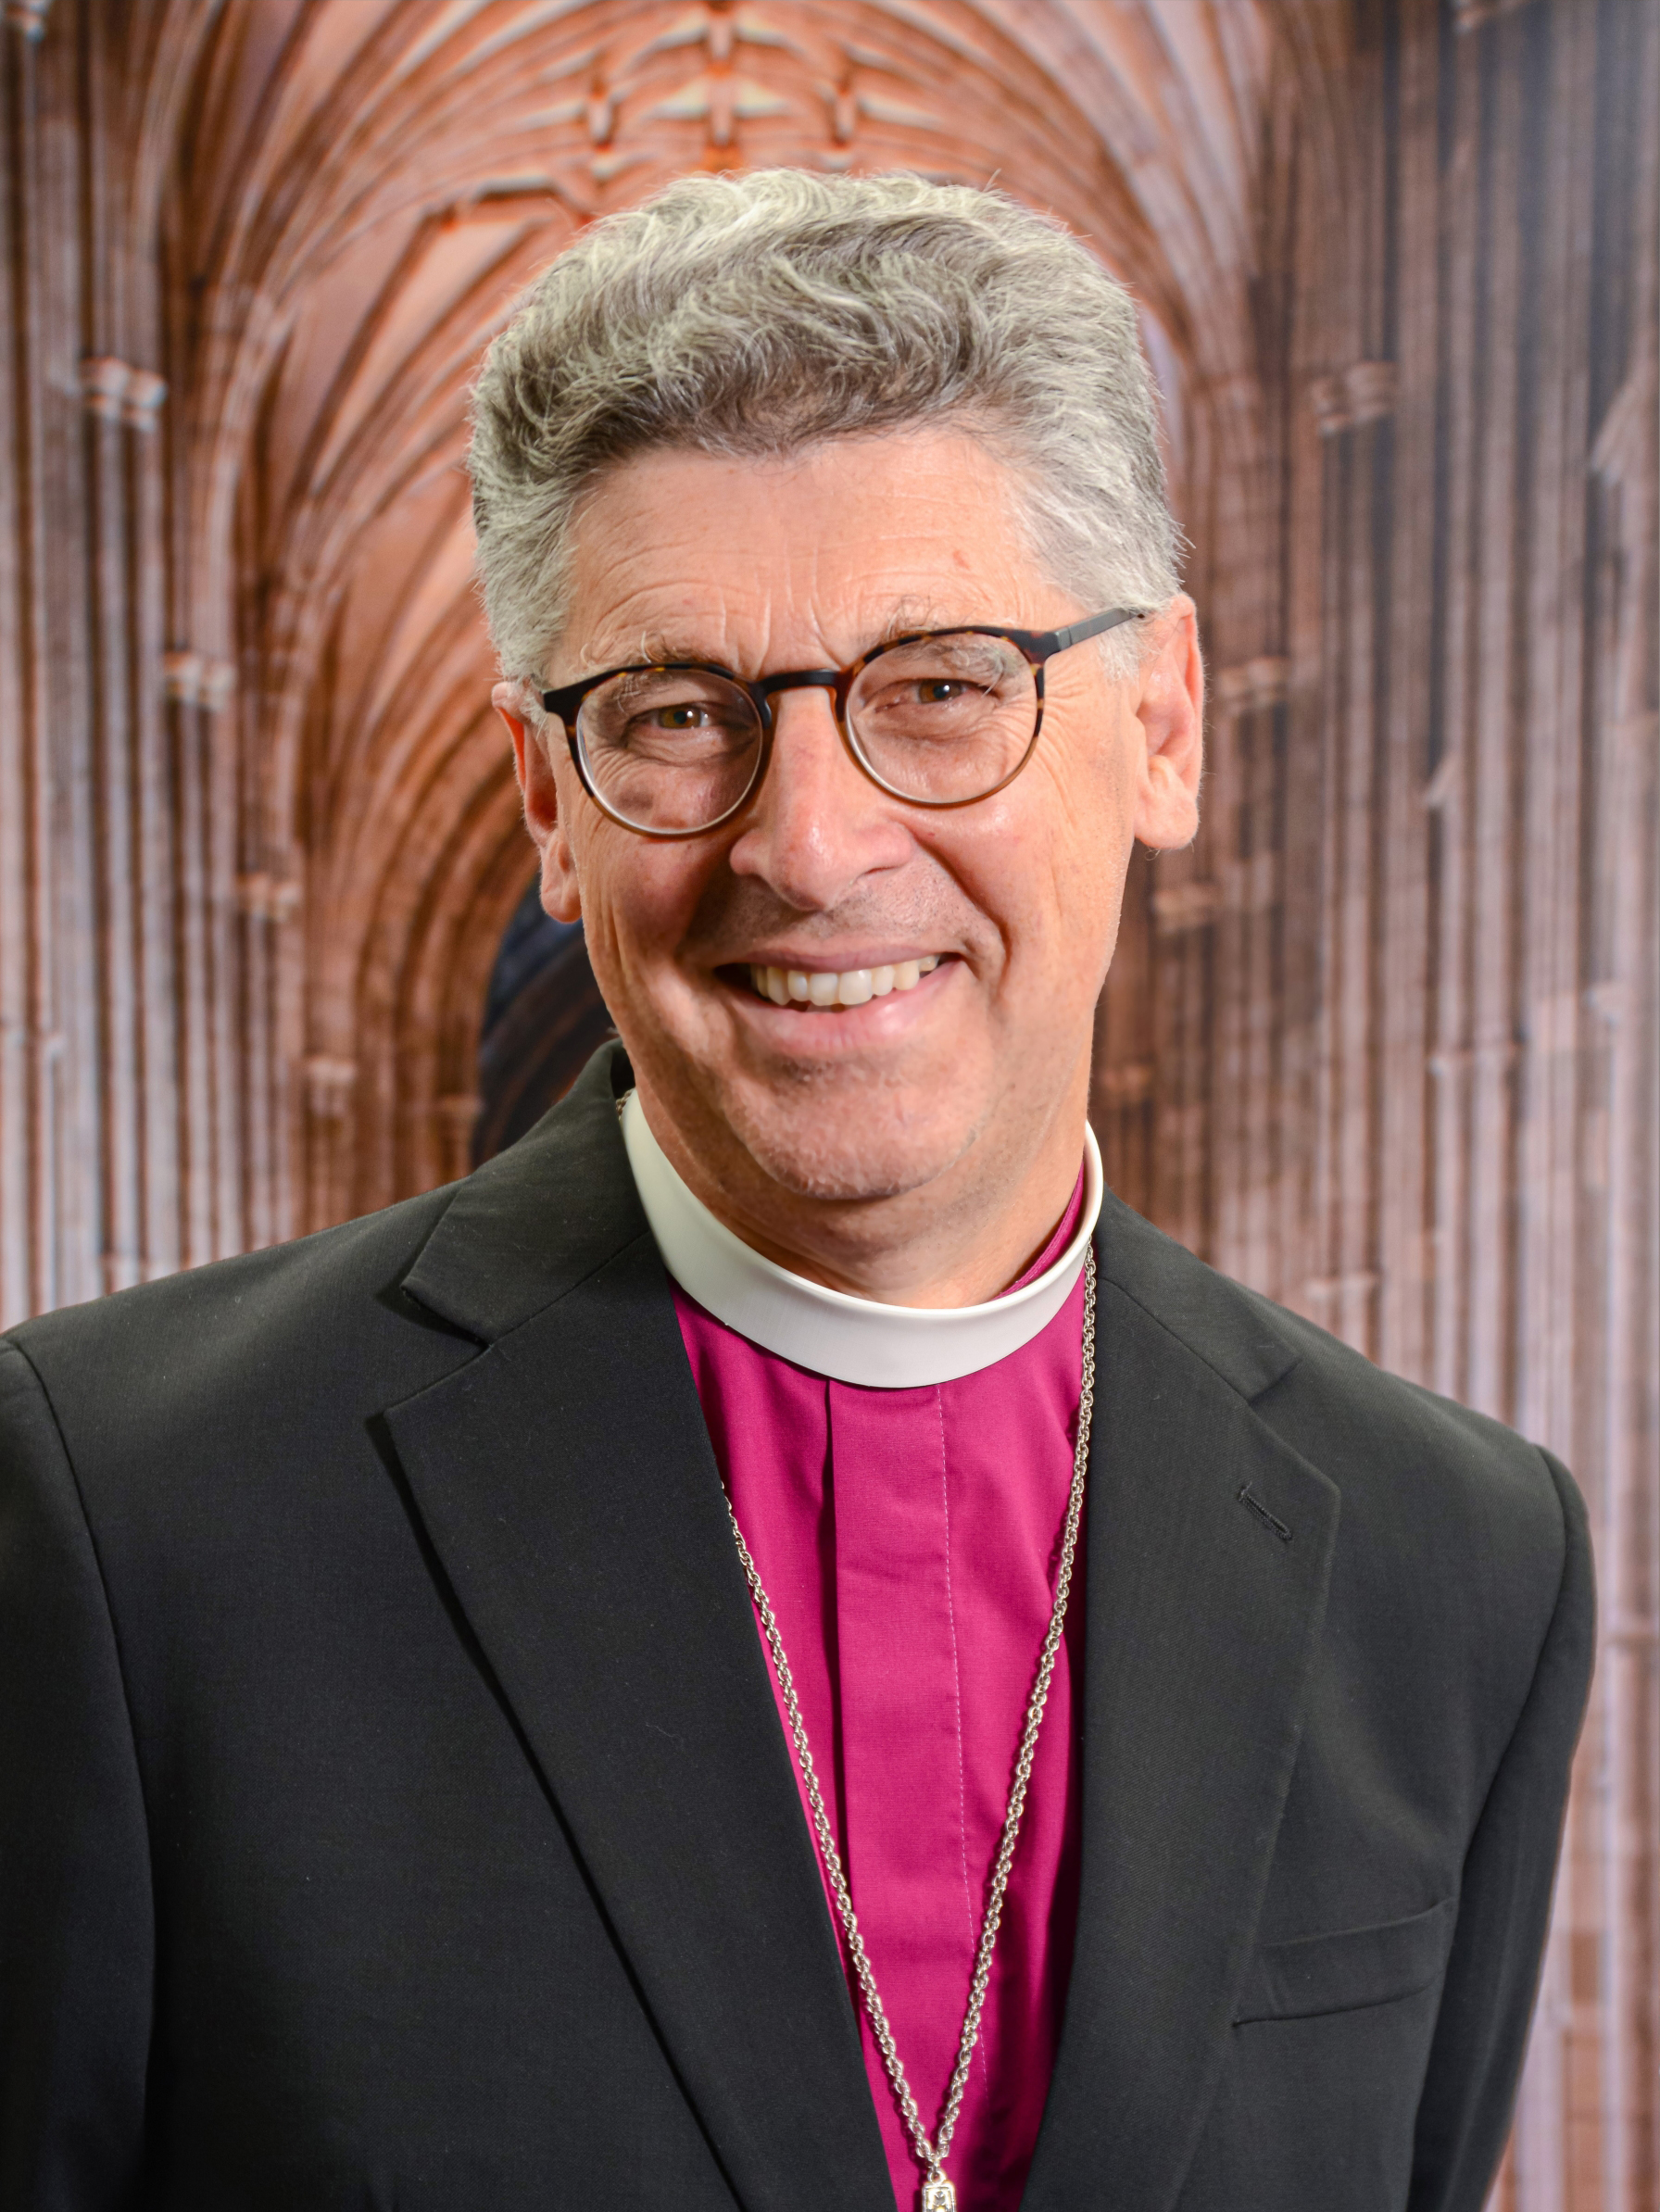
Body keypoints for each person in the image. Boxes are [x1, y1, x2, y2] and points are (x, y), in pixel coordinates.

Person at [0, 171, 1591, 2212]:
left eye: (940, 682)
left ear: (1164, 724)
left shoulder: (1454, 1564)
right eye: (678, 716)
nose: (809, 846)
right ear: (545, 812)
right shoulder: (131, 1523)